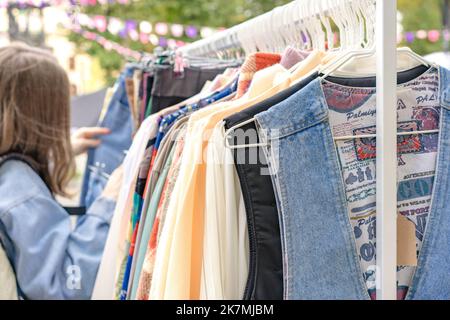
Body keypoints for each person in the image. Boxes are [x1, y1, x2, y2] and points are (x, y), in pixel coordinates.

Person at [0, 43, 123, 299]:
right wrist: (108, 204)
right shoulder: (23, 193)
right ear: (46, 114)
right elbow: (66, 288)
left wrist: (61, 152)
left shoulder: (12, 180)